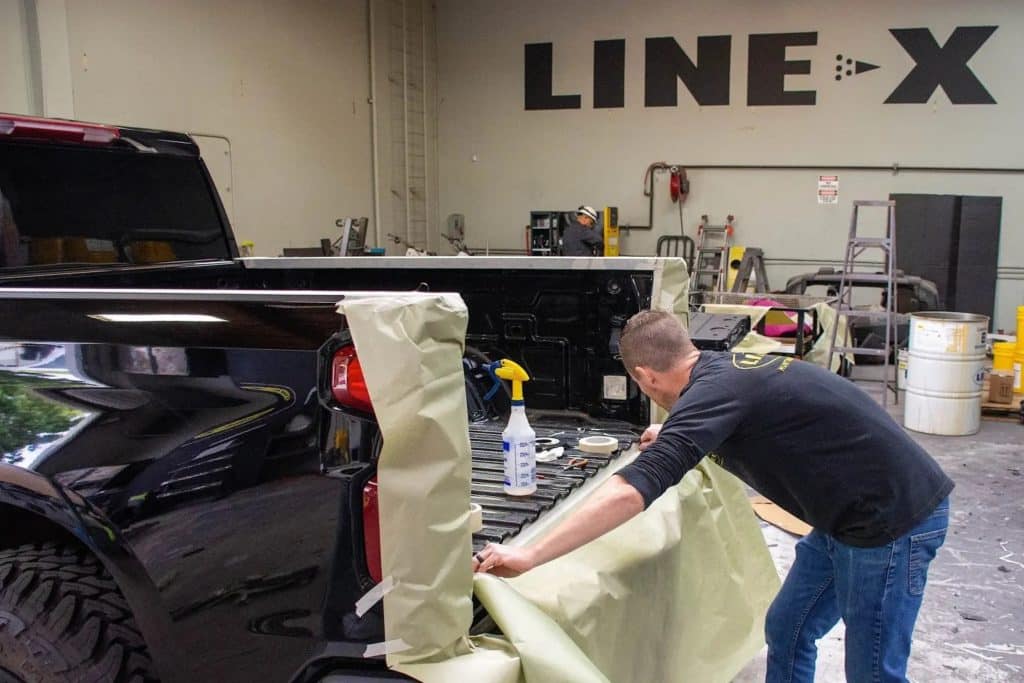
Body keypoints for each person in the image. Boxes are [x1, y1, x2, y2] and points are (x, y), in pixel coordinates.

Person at [474, 309, 953, 683]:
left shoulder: (715, 395)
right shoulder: (720, 375)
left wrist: (530, 554)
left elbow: (631, 491)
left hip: (892, 522)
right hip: (844, 516)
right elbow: (749, 417)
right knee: (789, 630)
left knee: (872, 673)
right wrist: (673, 431)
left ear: (645, 375)